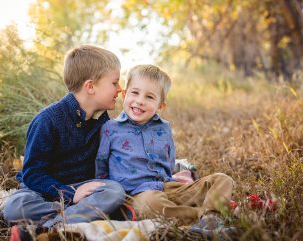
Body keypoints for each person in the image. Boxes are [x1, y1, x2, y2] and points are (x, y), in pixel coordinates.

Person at [3, 45, 126, 240]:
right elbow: (32, 175)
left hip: (84, 188)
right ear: (91, 86)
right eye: (115, 83)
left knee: (115, 191)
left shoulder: (104, 121)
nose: (120, 89)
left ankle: (52, 225)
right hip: (43, 190)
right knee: (14, 208)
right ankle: (74, 217)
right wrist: (70, 194)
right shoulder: (47, 120)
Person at [95, 64, 235, 228]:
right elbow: (101, 165)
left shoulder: (163, 128)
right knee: (152, 204)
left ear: (160, 105)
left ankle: (211, 215)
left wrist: (175, 184)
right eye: (135, 93)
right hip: (135, 194)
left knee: (223, 179)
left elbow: (169, 160)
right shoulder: (111, 129)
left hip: (166, 186)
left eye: (150, 97)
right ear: (124, 94)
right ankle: (202, 215)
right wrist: (109, 200)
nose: (140, 101)